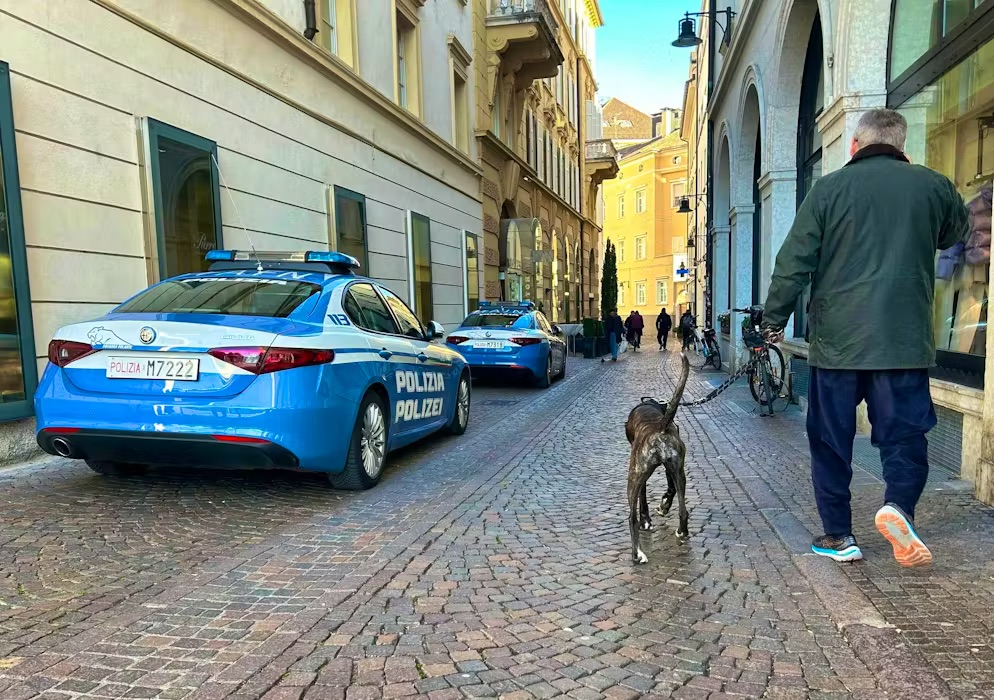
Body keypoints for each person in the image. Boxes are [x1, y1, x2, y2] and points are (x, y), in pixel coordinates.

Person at [762, 109, 970, 567]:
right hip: (902, 341)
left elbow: (793, 263)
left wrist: (772, 320)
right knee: (904, 436)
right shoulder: (932, 185)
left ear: (854, 146)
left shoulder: (828, 189)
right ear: (901, 146)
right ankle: (898, 507)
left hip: (837, 344)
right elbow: (956, 232)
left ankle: (839, 535)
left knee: (830, 440)